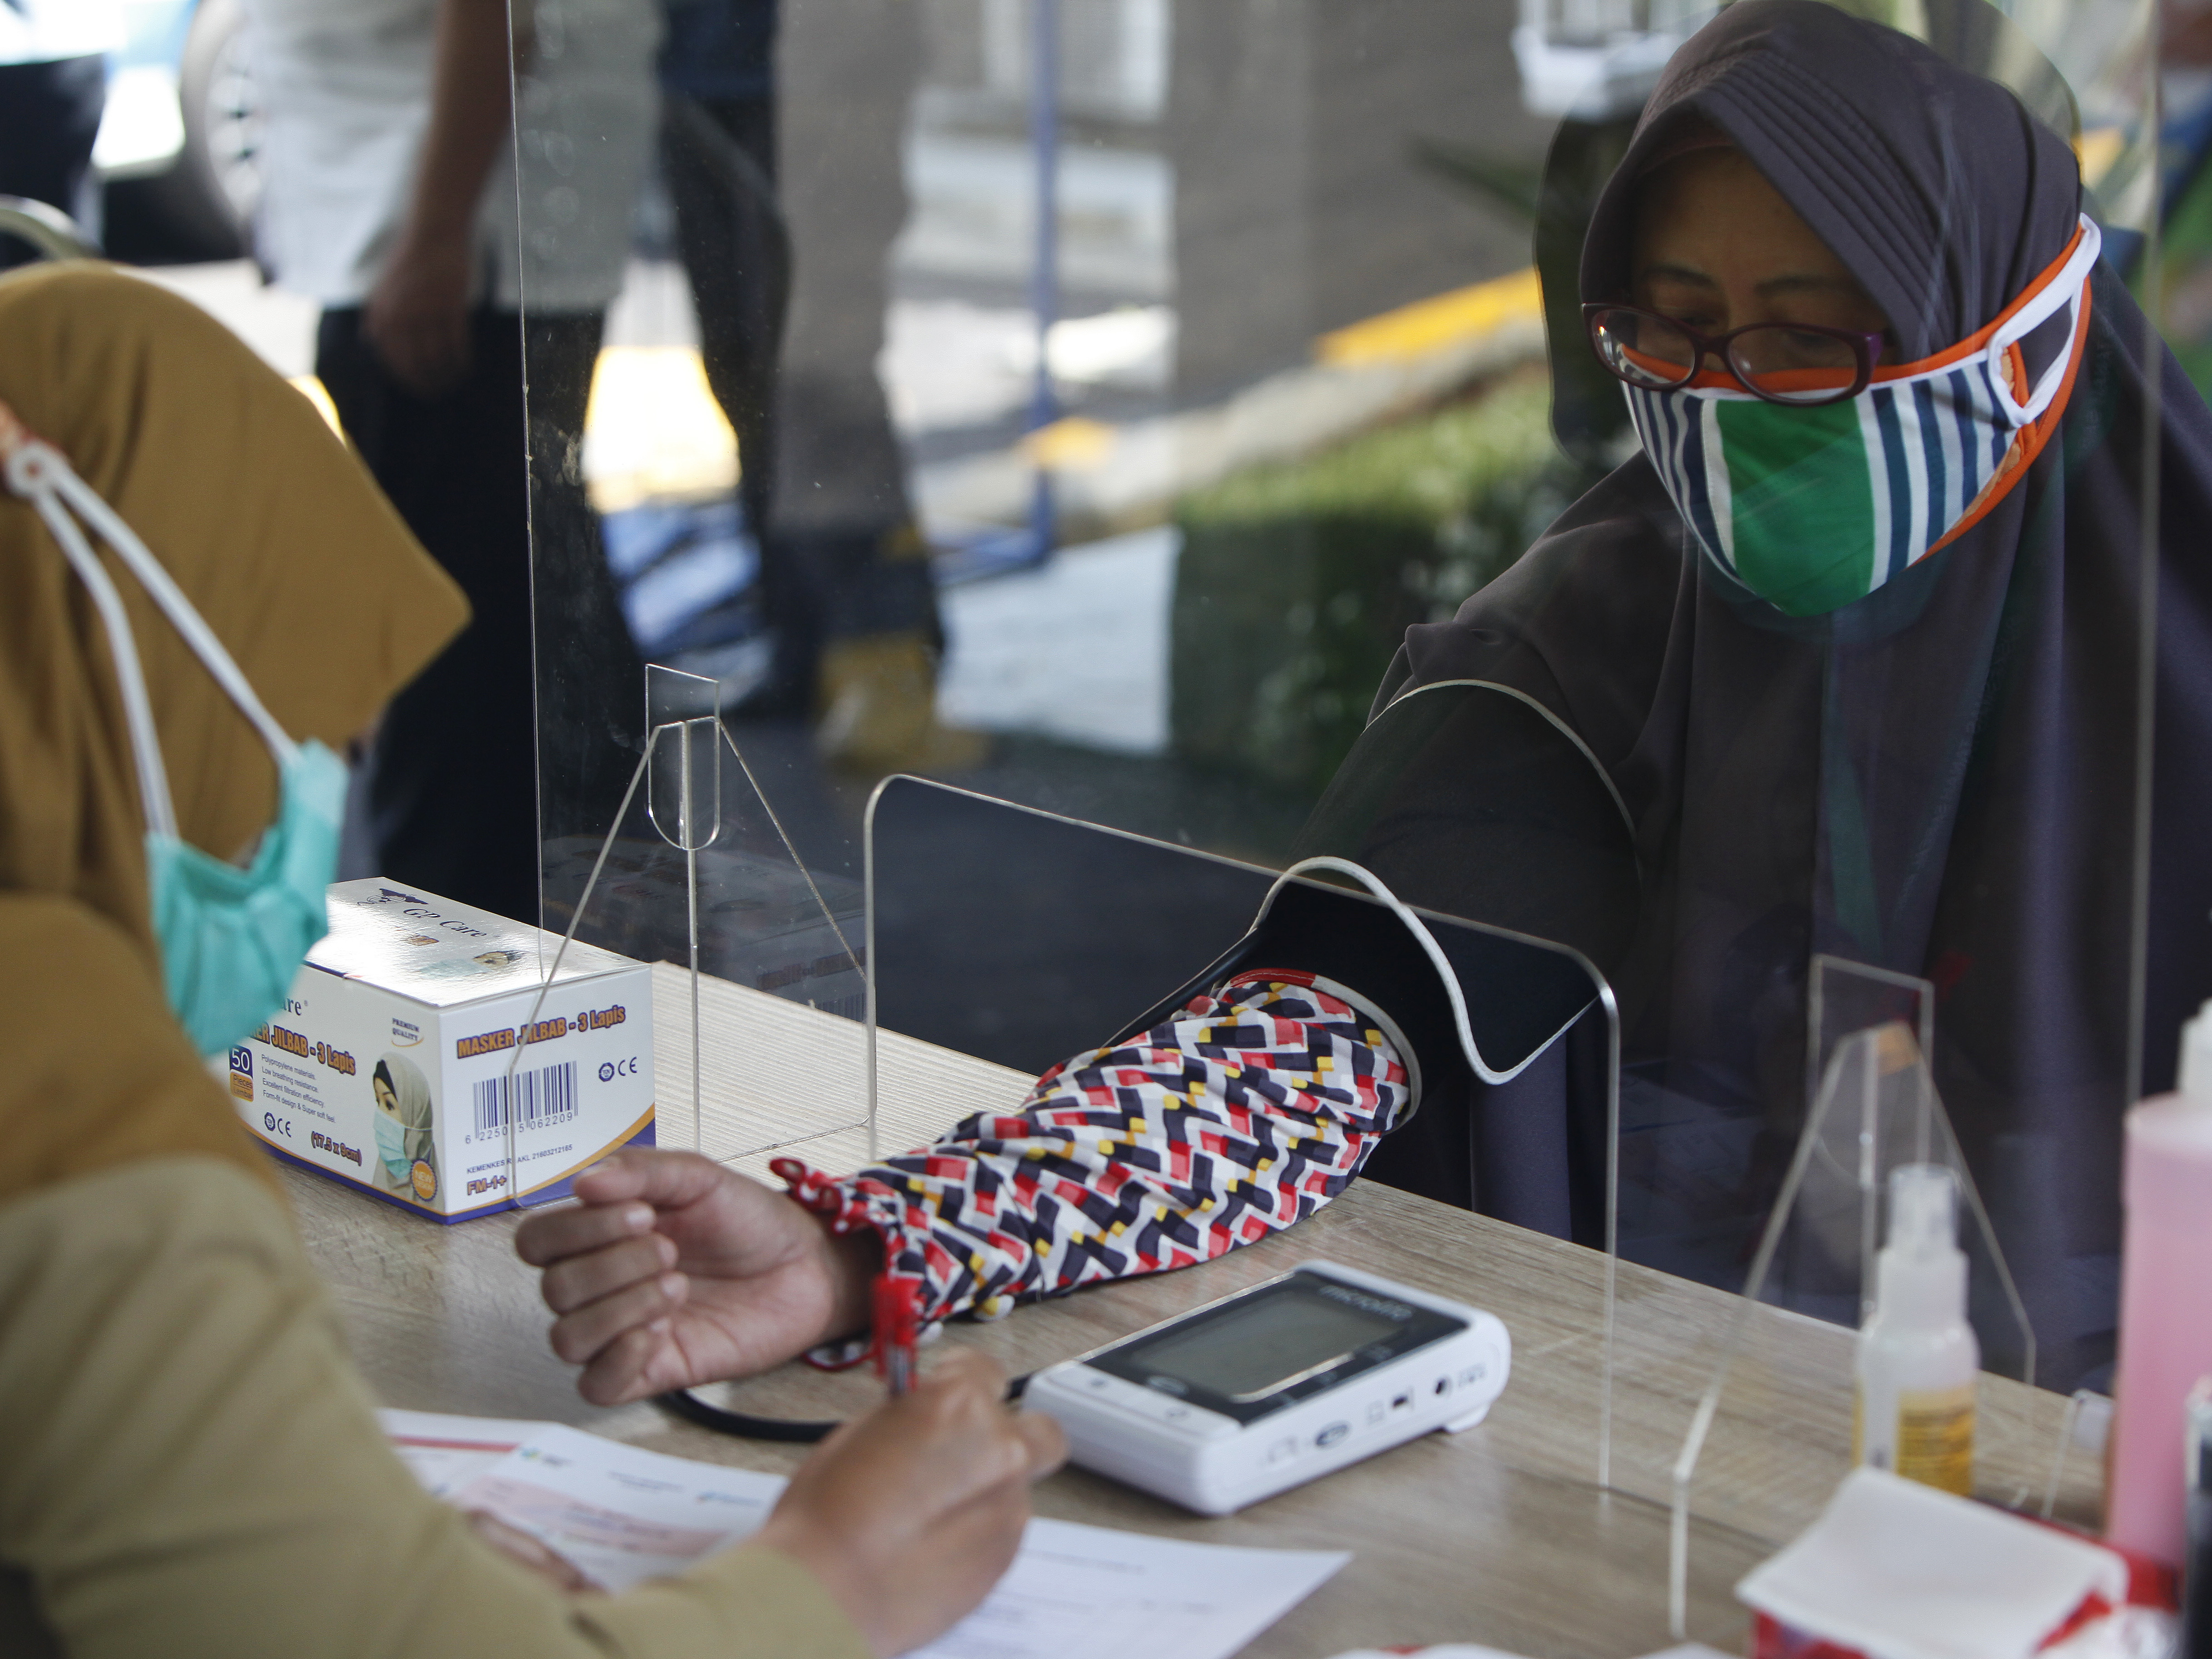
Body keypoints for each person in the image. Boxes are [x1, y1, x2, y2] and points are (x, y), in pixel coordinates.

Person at [521, 0, 2212, 1399]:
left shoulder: (2179, 659)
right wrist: (866, 1246)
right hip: (1675, 1433)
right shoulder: (1603, 633)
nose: (1726, 404)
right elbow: (1287, 1061)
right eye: (1672, 336)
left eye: (1804, 339)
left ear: (2010, 333)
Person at [0, 262, 1064, 1657]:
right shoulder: (55, 1072)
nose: (312, 830)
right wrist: (837, 1574)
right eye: (298, 734)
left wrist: (340, 1548)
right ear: (124, 671)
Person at [247, 0, 653, 924]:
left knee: (452, 636)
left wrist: (433, 239)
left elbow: (491, 21)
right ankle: (571, 921)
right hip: (424, 226)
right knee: (506, 604)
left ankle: (460, 940)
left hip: (459, 245)